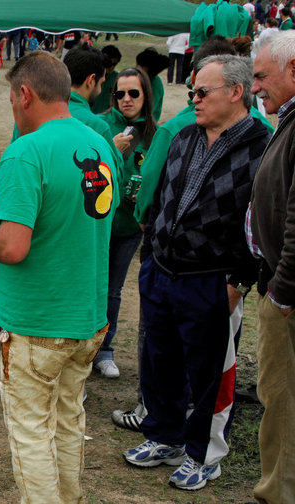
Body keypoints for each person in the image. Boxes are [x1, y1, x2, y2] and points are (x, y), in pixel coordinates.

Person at [0, 51, 118, 504]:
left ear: (25, 94)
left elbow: (13, 246)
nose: (14, 111)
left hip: (38, 321)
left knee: (32, 432)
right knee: (70, 421)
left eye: (13, 101)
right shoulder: (100, 145)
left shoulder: (26, 151)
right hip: (88, 317)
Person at [122, 55, 270, 491]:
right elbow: (163, 200)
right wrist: (151, 258)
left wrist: (238, 283)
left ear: (236, 93)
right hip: (163, 271)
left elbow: (260, 222)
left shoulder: (261, 145)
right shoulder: (186, 135)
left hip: (213, 279)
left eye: (203, 92)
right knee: (160, 361)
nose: (194, 99)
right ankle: (164, 435)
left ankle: (204, 454)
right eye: (192, 92)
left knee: (209, 375)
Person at [249, 30, 295, 504]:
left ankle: (278, 494)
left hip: (286, 297)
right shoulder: (289, 118)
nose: (256, 86)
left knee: (282, 401)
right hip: (280, 287)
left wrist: (282, 289)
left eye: (262, 75)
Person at [93, 68, 157, 380]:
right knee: (92, 284)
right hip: (99, 223)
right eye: (120, 93)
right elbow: (93, 177)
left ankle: (105, 350)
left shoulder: (155, 134)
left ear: (146, 95)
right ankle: (83, 347)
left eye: (134, 93)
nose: (126, 99)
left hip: (130, 227)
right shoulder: (103, 127)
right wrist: (112, 153)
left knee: (113, 289)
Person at [63, 46, 122, 161]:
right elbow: (110, 174)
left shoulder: (36, 113)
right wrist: (116, 151)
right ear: (91, 80)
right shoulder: (98, 127)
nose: (100, 90)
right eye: (101, 83)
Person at [136, 48, 169, 122]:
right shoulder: (139, 79)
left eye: (139, 68)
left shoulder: (155, 84)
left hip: (146, 123)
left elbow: (148, 109)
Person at [91, 45, 122, 114]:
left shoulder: (117, 78)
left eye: (114, 64)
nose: (111, 67)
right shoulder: (93, 75)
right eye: (109, 63)